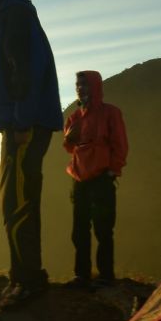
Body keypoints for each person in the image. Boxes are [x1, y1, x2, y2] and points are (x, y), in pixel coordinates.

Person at [0, 0, 63, 308]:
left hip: (23, 126)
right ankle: (22, 278)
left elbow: (23, 72)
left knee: (19, 201)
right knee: (15, 200)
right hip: (21, 123)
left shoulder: (16, 19)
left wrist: (22, 123)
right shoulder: (18, 16)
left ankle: (28, 282)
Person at [63, 70, 128, 288]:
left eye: (85, 84)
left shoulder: (111, 113)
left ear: (95, 87)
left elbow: (120, 143)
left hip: (101, 177)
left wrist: (113, 170)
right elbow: (70, 148)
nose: (80, 88)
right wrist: (69, 139)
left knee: (103, 228)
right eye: (78, 84)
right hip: (79, 178)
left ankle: (105, 275)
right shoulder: (74, 117)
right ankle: (81, 275)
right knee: (79, 229)